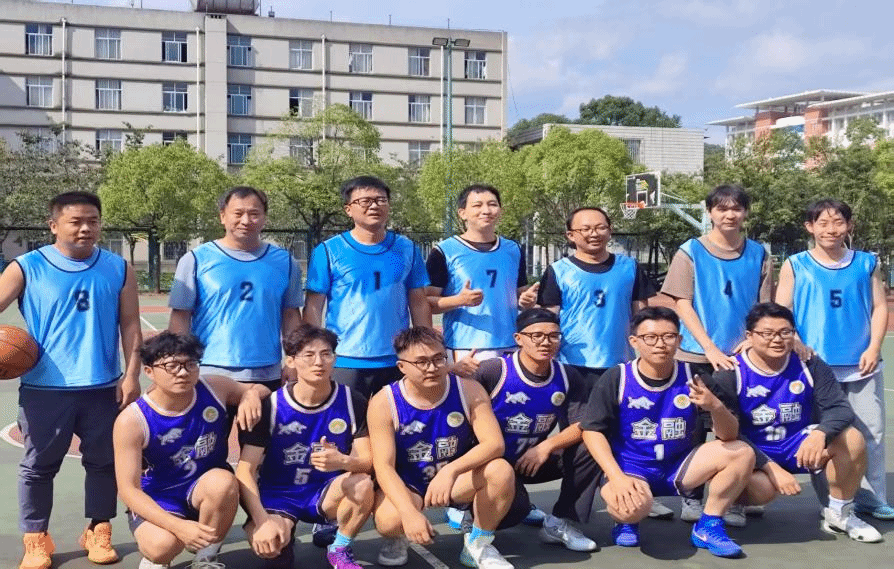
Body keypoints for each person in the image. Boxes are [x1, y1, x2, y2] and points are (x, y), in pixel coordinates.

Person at [0, 191, 142, 569]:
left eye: (93, 221)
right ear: (53, 225)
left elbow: (131, 325)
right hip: (44, 388)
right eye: (75, 221)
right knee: (38, 466)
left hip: (103, 385)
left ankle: (98, 529)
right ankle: (36, 538)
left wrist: (131, 375)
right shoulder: (27, 266)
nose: (85, 228)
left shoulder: (118, 267)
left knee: (104, 462)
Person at [581, 307, 755, 558]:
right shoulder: (617, 377)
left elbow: (729, 435)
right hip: (632, 467)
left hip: (679, 466)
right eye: (650, 337)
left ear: (680, 340)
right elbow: (592, 431)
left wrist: (715, 406)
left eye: (668, 336)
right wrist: (616, 477)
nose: (660, 344)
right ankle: (626, 522)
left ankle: (708, 526)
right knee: (630, 509)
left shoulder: (696, 376)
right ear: (634, 341)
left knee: (741, 452)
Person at [709, 302, 881, 543]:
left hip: (797, 445)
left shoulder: (809, 363)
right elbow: (727, 433)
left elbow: (839, 408)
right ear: (749, 336)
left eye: (785, 332)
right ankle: (735, 501)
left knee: (851, 438)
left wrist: (820, 433)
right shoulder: (730, 371)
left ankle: (839, 512)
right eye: (767, 333)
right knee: (762, 489)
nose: (777, 339)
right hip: (752, 450)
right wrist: (770, 467)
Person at [660, 184, 772, 522]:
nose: (729, 214)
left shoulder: (759, 254)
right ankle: (691, 497)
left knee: (740, 427)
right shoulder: (690, 251)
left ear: (745, 212)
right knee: (691, 429)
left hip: (741, 359)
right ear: (710, 212)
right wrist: (709, 347)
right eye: (722, 208)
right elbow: (682, 303)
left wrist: (752, 340)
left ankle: (735, 498)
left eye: (736, 208)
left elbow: (764, 306)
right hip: (696, 355)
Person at [776, 198, 892, 519]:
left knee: (871, 431)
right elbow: (782, 311)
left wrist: (874, 346)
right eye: (823, 223)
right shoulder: (795, 264)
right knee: (822, 433)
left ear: (849, 225)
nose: (831, 229)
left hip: (861, 364)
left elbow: (880, 307)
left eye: (838, 222)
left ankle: (872, 497)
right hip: (815, 366)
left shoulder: (867, 262)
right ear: (810, 227)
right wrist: (796, 342)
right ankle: (831, 501)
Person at [113, 332, 268, 569]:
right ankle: (156, 558)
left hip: (203, 489)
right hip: (159, 497)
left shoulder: (214, 387)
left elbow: (260, 388)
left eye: (190, 364)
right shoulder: (132, 420)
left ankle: (206, 556)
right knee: (162, 547)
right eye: (172, 366)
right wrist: (179, 527)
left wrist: (251, 395)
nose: (183, 372)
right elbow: (128, 490)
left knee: (224, 482)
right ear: (149, 371)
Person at [368, 327, 515, 569]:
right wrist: (409, 513)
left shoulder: (468, 389)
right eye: (421, 362)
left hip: (456, 478)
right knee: (389, 521)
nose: (432, 368)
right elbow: (383, 466)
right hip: (410, 483)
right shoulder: (384, 402)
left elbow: (494, 444)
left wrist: (450, 471)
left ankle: (478, 544)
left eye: (438, 359)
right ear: (402, 366)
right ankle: (398, 537)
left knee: (500, 471)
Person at [236, 324, 374, 569]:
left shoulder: (352, 401)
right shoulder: (271, 405)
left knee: (362, 484)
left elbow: (368, 462)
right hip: (278, 495)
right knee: (273, 551)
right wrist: (261, 520)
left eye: (326, 354)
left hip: (324, 493)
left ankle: (339, 548)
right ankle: (277, 528)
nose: (318, 362)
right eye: (309, 355)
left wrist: (343, 461)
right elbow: (245, 470)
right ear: (290, 361)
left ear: (335, 358)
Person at [467, 308, 599, 552]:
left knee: (592, 445)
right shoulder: (494, 371)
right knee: (511, 514)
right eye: (537, 335)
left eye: (553, 336)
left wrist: (545, 446)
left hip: (531, 458)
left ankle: (560, 522)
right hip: (491, 464)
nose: (545, 342)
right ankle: (467, 506)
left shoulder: (567, 375)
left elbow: (583, 424)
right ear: (518, 338)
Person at [304, 176, 432, 399]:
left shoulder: (407, 249)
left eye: (381, 200)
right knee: (346, 419)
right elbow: (314, 307)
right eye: (365, 201)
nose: (374, 206)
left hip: (398, 358)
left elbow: (419, 303)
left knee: (397, 418)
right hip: (345, 360)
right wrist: (312, 352)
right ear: (348, 209)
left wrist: (425, 349)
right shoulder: (328, 251)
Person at [168, 185, 303, 394]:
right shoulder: (195, 260)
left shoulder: (286, 262)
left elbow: (291, 315)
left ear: (264, 218)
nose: (246, 221)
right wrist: (179, 363)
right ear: (223, 216)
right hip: (209, 372)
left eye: (254, 214)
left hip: (268, 373)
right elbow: (181, 317)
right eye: (238, 213)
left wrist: (294, 361)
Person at [426, 184, 536, 365]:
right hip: (466, 349)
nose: (486, 210)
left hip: (511, 345)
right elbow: (426, 303)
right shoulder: (445, 251)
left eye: (492, 204)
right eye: (477, 205)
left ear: (500, 210)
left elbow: (521, 293)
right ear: (462, 213)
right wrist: (459, 300)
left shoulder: (513, 249)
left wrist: (527, 300)